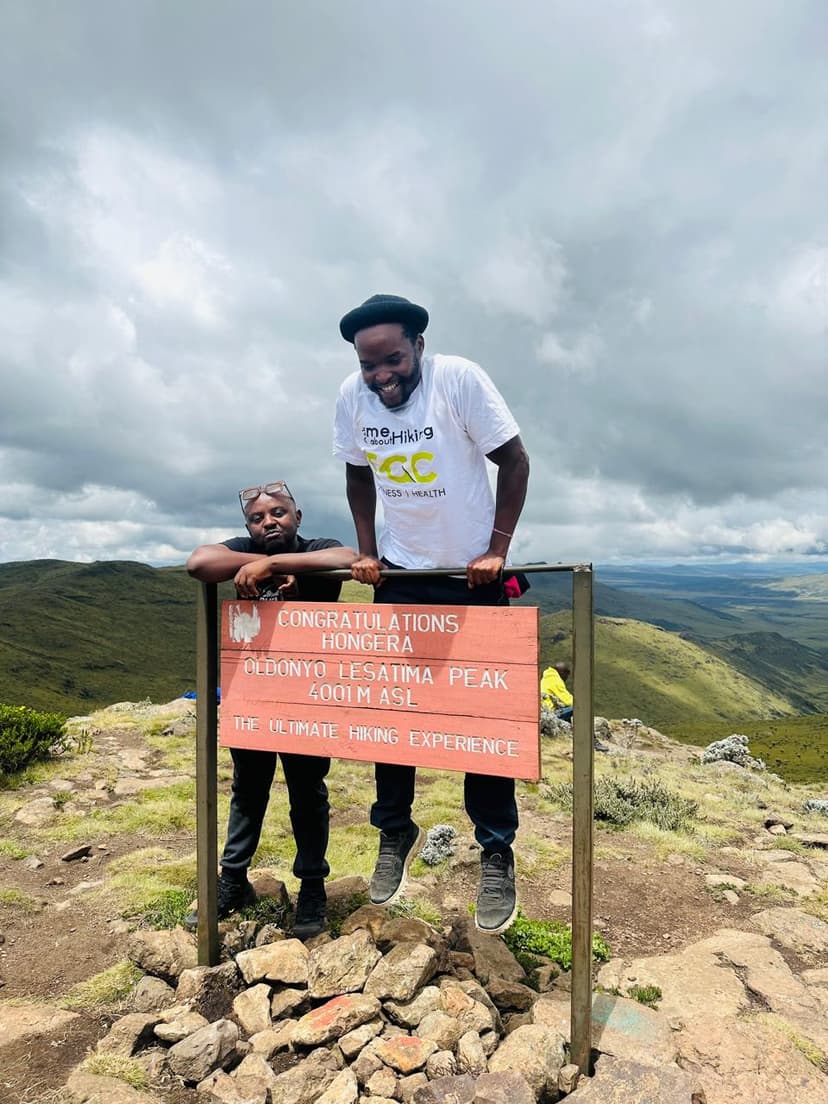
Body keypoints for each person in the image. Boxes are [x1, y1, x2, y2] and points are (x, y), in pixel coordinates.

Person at [332, 293, 530, 934]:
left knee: (485, 720)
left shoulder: (459, 380)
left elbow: (514, 459)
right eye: (369, 365)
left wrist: (496, 550)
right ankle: (395, 833)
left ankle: (495, 849)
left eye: (392, 359)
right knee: (395, 714)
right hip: (401, 573)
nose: (381, 375)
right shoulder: (351, 399)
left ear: (418, 345)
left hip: (473, 578)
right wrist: (367, 551)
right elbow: (358, 475)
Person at [185, 480, 356, 938]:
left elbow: (348, 560)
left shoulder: (318, 548)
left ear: (297, 516)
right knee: (249, 787)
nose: (269, 522)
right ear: (248, 527)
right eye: (258, 519)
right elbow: (200, 562)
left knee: (307, 791)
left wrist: (275, 563)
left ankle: (313, 888)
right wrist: (256, 563)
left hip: (308, 695)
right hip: (254, 692)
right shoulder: (246, 548)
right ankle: (233, 881)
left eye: (278, 513)